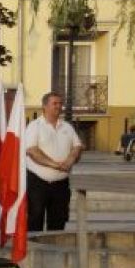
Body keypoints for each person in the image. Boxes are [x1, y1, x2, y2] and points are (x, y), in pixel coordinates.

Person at [24, 91, 83, 232]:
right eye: (54, 103)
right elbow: (32, 151)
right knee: (34, 221)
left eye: (60, 103)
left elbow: (78, 146)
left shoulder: (67, 127)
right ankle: (35, 251)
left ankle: (55, 251)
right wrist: (56, 165)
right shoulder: (34, 126)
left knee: (58, 221)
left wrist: (70, 159)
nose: (59, 106)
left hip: (61, 186)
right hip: (38, 184)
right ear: (44, 106)